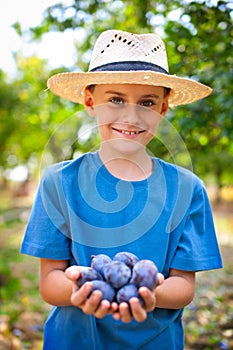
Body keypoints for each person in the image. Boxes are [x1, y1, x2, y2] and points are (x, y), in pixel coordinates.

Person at [20, 29, 222, 350]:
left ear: (164, 109)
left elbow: (184, 284)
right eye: (115, 99)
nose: (131, 116)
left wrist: (149, 295)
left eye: (147, 102)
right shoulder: (59, 182)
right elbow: (50, 281)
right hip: (73, 342)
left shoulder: (187, 189)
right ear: (90, 101)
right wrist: (79, 292)